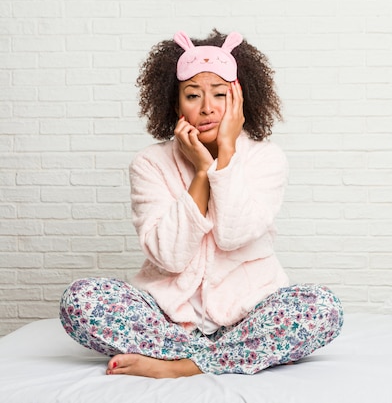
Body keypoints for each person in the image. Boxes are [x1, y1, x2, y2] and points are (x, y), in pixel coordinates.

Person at [59, 28, 343, 378]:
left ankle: (182, 365)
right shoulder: (150, 163)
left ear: (239, 99)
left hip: (248, 314)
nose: (207, 108)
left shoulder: (266, 158)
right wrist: (202, 173)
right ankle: (225, 357)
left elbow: (233, 235)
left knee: (322, 309)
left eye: (220, 94)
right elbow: (169, 256)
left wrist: (225, 156)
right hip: (167, 321)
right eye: (193, 95)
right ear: (175, 102)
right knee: (81, 300)